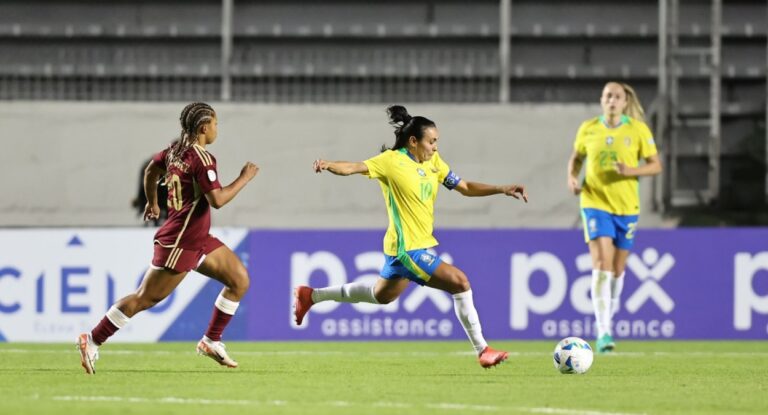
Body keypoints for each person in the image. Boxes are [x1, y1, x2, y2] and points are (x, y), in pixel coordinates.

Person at [293, 105, 529, 368]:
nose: (435, 148)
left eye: (437, 142)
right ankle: (483, 349)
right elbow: (354, 167)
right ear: (414, 141)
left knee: (380, 295)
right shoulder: (392, 162)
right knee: (460, 282)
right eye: (432, 142)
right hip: (409, 250)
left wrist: (501, 188)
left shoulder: (434, 164)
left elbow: (465, 187)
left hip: (401, 249)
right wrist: (328, 164)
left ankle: (311, 296)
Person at [77, 102, 259, 374]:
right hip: (180, 242)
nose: (217, 129)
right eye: (216, 124)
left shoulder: (174, 152)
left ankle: (211, 340)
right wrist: (244, 178)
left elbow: (151, 171)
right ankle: (92, 339)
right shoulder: (202, 159)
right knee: (145, 298)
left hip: (197, 239)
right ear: (203, 127)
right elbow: (217, 200)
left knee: (239, 280)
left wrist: (153, 203)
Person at [566, 82, 662, 353]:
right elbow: (576, 158)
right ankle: (603, 331)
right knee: (602, 264)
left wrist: (630, 171)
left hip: (627, 207)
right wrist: (572, 177)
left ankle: (608, 319)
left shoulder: (637, 130)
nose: (611, 100)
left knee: (618, 271)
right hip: (595, 202)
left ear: (624, 102)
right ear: (601, 100)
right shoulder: (588, 128)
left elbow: (656, 165)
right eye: (607, 95)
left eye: (616, 96)